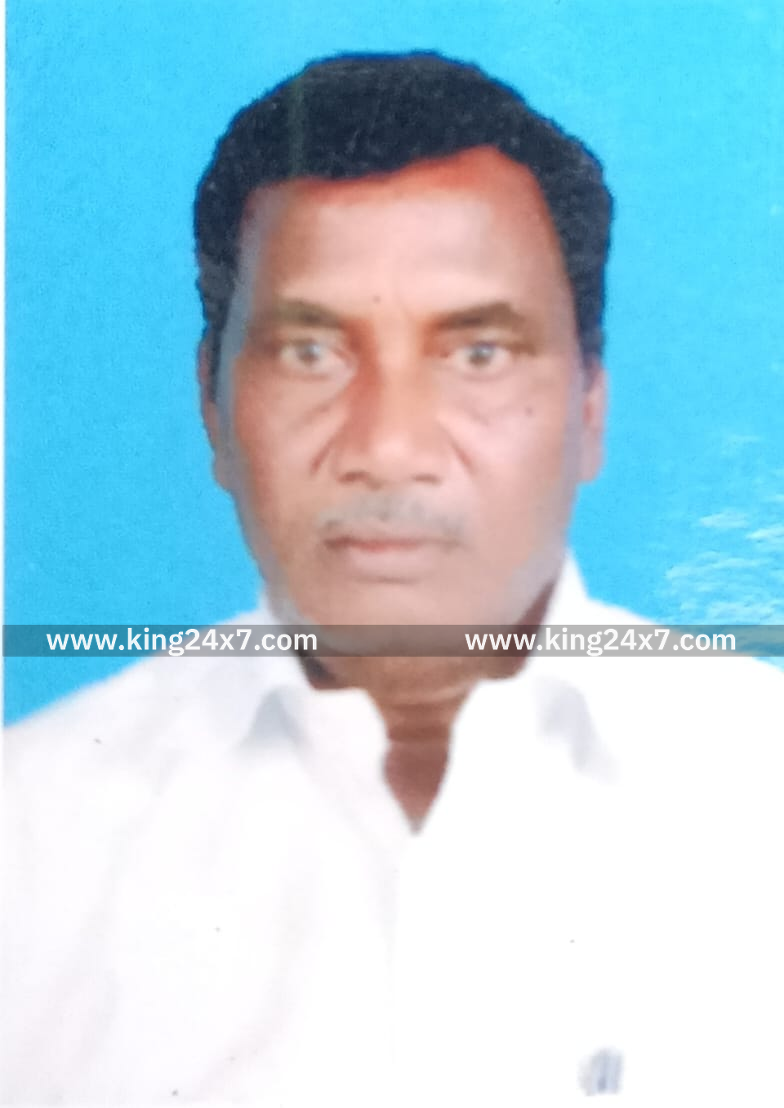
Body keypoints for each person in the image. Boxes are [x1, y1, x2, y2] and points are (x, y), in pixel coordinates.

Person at [3, 52, 782, 1107]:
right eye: (311, 353)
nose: (389, 447)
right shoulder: (30, 839)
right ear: (212, 406)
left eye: (478, 354)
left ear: (590, 405)